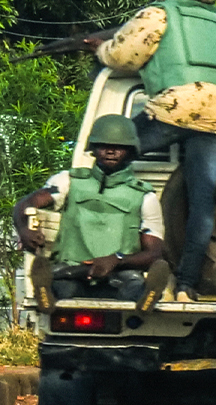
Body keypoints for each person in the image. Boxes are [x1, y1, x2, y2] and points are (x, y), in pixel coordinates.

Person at [94, 0, 216, 304]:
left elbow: (124, 55)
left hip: (177, 105)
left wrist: (98, 48)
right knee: (201, 205)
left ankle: (118, 257)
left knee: (110, 152)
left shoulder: (161, 12)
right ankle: (186, 285)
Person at [13, 115, 172, 316]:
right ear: (93, 148)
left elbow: (155, 254)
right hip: (72, 271)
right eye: (103, 145)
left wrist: (117, 259)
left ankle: (148, 295)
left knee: (132, 288)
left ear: (131, 151)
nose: (111, 151)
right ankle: (45, 292)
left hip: (119, 273)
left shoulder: (144, 197)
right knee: (64, 290)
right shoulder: (68, 181)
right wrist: (24, 229)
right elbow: (26, 203)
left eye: (119, 147)